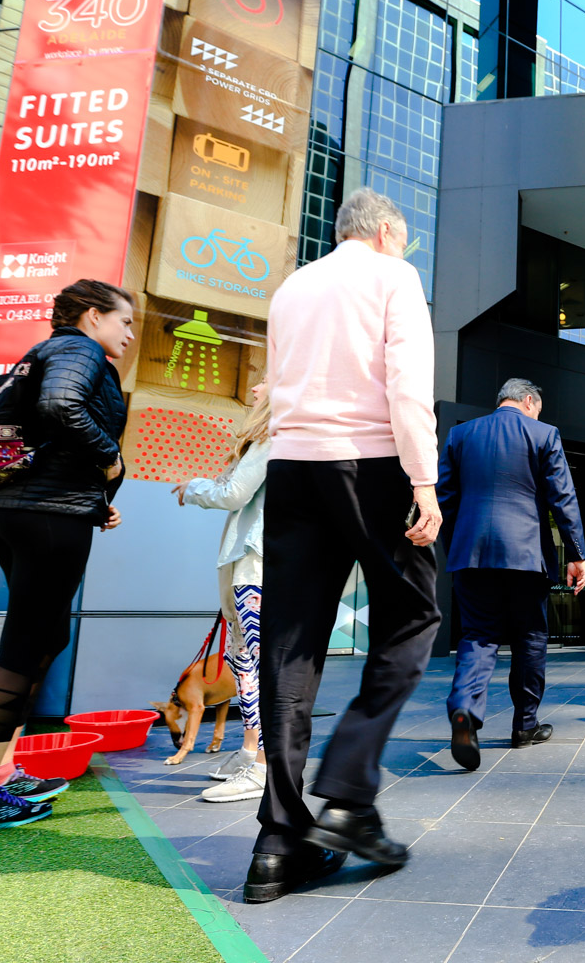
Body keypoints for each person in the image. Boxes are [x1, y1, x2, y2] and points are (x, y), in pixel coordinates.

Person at [246, 188, 443, 903]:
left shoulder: (292, 285)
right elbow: (407, 387)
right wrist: (424, 481)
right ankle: (350, 795)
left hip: (293, 467)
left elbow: (272, 386)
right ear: (387, 232)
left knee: (290, 644)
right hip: (373, 464)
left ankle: (277, 841)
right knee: (415, 616)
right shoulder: (395, 277)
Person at [0, 280, 133, 837]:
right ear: (93, 317)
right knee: (25, 646)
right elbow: (60, 406)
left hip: (13, 510)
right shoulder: (79, 350)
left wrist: (92, 503)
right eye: (124, 321)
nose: (129, 333)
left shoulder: (40, 354)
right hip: (45, 517)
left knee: (43, 639)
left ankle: (4, 773)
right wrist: (110, 460)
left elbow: (46, 432)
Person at [442, 378, 585, 772]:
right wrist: (576, 555)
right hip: (525, 554)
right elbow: (563, 497)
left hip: (471, 554)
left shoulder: (460, 434)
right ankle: (524, 726)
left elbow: (445, 499)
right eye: (537, 408)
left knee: (477, 635)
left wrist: (457, 548)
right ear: (528, 401)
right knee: (530, 637)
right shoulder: (544, 433)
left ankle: (465, 713)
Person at [172, 381, 271, 803]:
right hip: (247, 565)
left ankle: (262, 765)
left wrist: (192, 488)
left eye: (262, 378)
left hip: (256, 565)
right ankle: (251, 751)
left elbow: (234, 493)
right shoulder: (268, 436)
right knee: (244, 661)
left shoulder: (274, 435)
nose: (255, 385)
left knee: (255, 664)